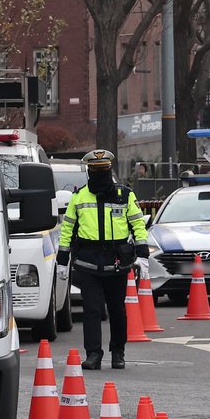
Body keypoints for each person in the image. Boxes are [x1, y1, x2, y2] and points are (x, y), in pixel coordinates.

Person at [55, 149, 150, 370]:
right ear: (89, 172)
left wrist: (143, 256)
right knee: (92, 310)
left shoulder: (125, 195)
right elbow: (67, 229)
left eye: (103, 170)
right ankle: (93, 354)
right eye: (95, 171)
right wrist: (62, 259)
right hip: (88, 263)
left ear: (109, 171)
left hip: (117, 263)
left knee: (117, 310)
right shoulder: (78, 198)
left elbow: (138, 225)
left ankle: (118, 352)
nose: (99, 175)